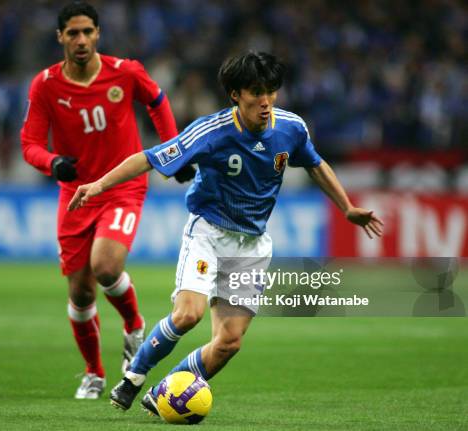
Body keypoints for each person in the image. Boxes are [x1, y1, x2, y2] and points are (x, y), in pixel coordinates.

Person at [68, 51, 384, 414]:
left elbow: (314, 162)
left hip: (251, 246)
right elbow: (150, 158)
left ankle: (163, 392)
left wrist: (346, 207)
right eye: (255, 93)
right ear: (235, 94)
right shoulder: (211, 132)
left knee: (229, 342)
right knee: (189, 314)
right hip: (209, 233)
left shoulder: (291, 128)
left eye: (271, 92)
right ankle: (133, 378)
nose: (265, 102)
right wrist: (99, 185)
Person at [20, 1, 194, 399]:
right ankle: (94, 372)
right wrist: (53, 163)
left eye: (87, 32)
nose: (80, 40)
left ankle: (134, 324)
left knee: (105, 265)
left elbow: (157, 102)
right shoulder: (45, 85)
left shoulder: (125, 71)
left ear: (98, 34)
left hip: (121, 187)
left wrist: (174, 151)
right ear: (60, 37)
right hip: (76, 193)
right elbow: (29, 143)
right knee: (80, 293)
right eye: (73, 33)